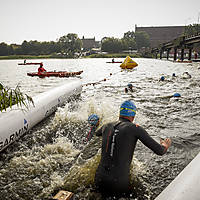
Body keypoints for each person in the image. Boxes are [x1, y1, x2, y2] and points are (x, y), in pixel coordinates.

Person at [88, 100, 171, 197]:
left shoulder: (106, 126)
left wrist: (96, 125)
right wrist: (165, 145)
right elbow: (160, 151)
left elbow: (96, 133)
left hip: (99, 179)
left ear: (120, 114)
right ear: (133, 116)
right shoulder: (135, 128)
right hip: (119, 184)